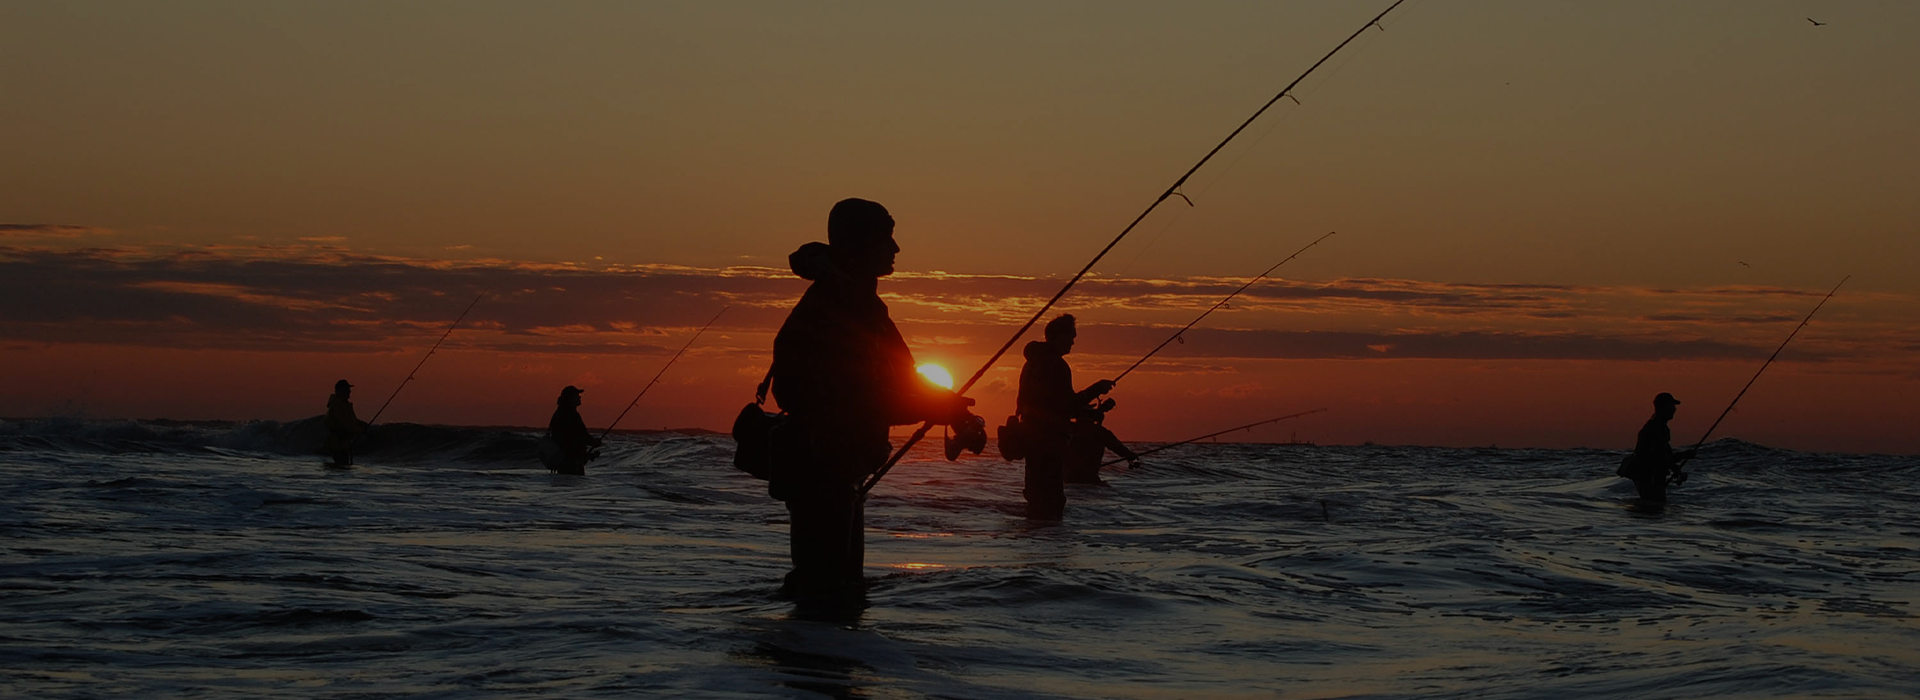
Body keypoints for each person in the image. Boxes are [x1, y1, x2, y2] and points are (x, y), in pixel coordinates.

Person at [769, 198, 975, 610]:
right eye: (887, 238)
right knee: (826, 594)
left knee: (837, 592)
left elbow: (896, 376)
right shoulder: (841, 306)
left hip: (836, 469)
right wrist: (929, 409)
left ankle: (818, 670)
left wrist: (941, 403)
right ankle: (814, 669)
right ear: (862, 242)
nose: (896, 248)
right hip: (823, 467)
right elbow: (855, 397)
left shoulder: (857, 302)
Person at [1016, 314, 1116, 518]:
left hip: (1032, 439)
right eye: (1071, 336)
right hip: (1048, 443)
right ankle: (1050, 545)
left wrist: (1090, 412)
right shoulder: (1056, 365)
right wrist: (1096, 388)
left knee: (1037, 500)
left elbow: (1051, 405)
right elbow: (1067, 406)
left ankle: (1036, 543)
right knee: (1050, 502)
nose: (1073, 341)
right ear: (1059, 335)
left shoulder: (1032, 363)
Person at [1618, 392, 1697, 501]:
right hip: (1650, 477)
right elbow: (1659, 457)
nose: (1674, 409)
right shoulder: (1658, 428)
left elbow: (1664, 455)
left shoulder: (1655, 425)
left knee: (1652, 509)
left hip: (1648, 476)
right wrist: (1684, 455)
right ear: (1662, 407)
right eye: (1671, 406)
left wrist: (1676, 469)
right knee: (1655, 508)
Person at [1064, 398, 1140, 485]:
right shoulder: (1101, 432)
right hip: (1090, 479)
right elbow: (1120, 449)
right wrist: (1130, 456)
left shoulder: (1067, 428)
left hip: (1067, 480)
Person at [547, 385, 602, 475]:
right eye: (577, 396)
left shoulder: (560, 412)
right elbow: (580, 435)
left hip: (564, 461)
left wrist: (586, 455)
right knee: (574, 487)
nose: (579, 398)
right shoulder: (570, 414)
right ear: (570, 398)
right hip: (571, 462)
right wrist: (594, 442)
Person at [324, 379, 366, 466]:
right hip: (338, 445)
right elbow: (345, 424)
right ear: (340, 391)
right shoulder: (337, 405)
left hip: (342, 444)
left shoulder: (343, 404)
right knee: (342, 468)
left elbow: (350, 420)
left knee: (342, 468)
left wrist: (361, 424)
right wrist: (360, 430)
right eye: (347, 389)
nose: (349, 391)